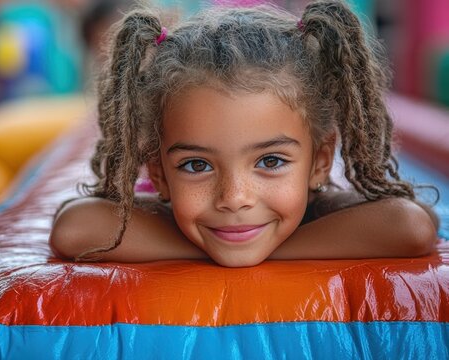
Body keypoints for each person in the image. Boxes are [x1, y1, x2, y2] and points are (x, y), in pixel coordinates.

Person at [49, 0, 439, 267]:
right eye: (196, 164)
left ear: (320, 162)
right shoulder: (185, 216)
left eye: (270, 161)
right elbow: (75, 228)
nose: (234, 198)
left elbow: (411, 226)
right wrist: (231, 244)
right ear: (158, 173)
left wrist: (248, 247)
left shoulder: (323, 209)